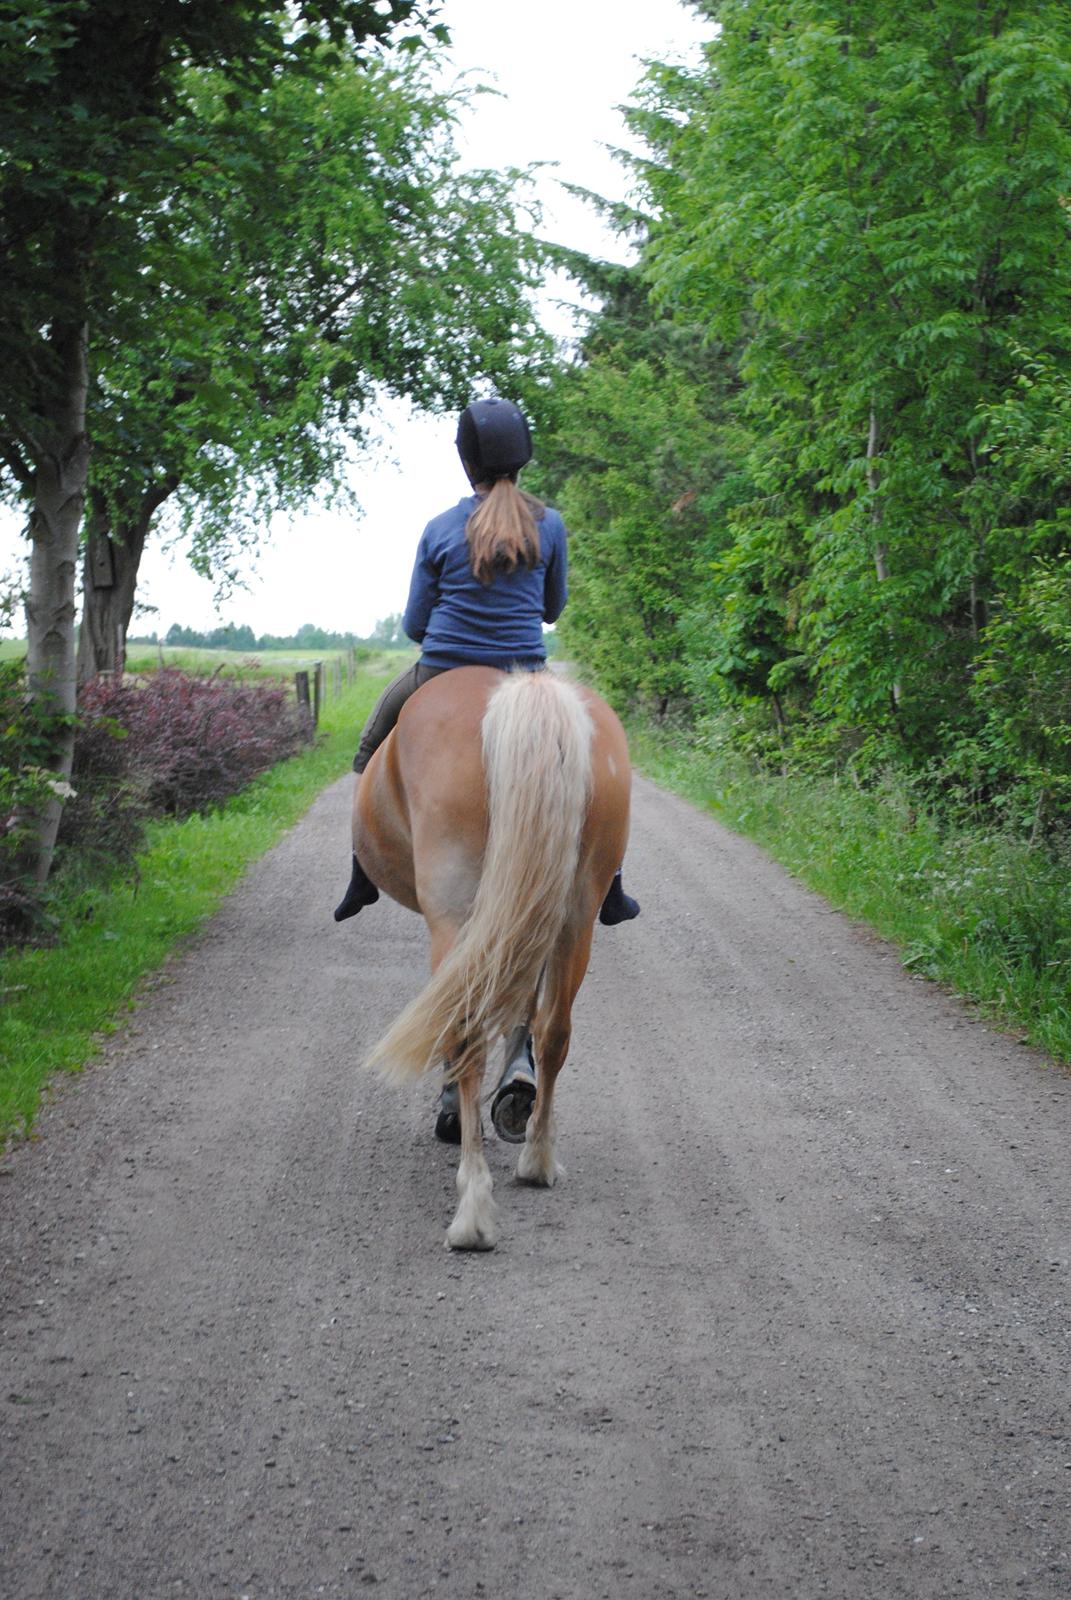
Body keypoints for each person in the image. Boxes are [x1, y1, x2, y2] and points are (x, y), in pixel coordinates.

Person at [334, 396, 640, 928]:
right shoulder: (552, 526)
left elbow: (413, 623)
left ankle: (364, 869)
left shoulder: (439, 527)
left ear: (465, 462)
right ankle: (610, 884)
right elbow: (551, 608)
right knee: (594, 763)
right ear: (524, 460)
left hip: (441, 668)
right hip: (525, 671)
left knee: (372, 742)